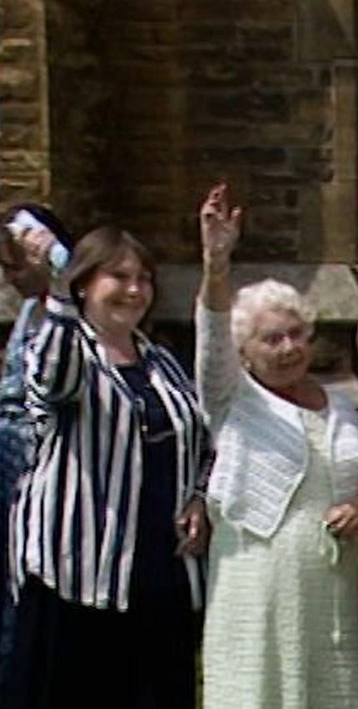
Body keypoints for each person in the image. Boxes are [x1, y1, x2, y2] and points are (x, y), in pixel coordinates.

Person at [196, 184, 358, 709]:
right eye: (271, 339)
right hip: (256, 577)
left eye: (296, 334)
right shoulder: (232, 397)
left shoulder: (341, 404)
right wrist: (215, 265)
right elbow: (211, 338)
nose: (288, 348)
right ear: (244, 353)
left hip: (327, 583)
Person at [7, 225, 211, 707]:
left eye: (144, 278)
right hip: (78, 574)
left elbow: (204, 440)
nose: (134, 290)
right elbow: (54, 382)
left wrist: (201, 496)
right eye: (118, 276)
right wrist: (58, 293)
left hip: (159, 572)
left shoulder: (163, 362)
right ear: (83, 284)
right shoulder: (61, 347)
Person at [0, 204, 72, 694]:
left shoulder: (75, 310)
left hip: (48, 472)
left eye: (15, 266)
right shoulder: (28, 312)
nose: (10, 278)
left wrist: (57, 258)